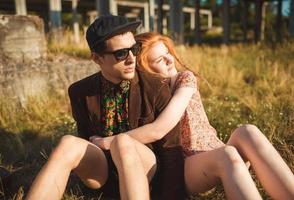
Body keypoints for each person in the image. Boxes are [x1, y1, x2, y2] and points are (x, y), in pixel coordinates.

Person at [92, 32, 294, 200]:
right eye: (160, 59)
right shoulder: (143, 95)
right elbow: (156, 132)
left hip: (215, 150)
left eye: (169, 53)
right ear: (144, 68)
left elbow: (160, 127)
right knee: (227, 155)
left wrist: (105, 142)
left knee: (247, 131)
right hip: (188, 166)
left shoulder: (183, 79)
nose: (171, 60)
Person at [26, 16, 184, 200]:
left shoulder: (155, 86)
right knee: (68, 143)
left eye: (134, 49)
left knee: (122, 142)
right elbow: (86, 140)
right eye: (121, 54)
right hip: (104, 171)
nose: (132, 59)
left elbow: (172, 150)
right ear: (97, 58)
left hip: (146, 170)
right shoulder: (79, 91)